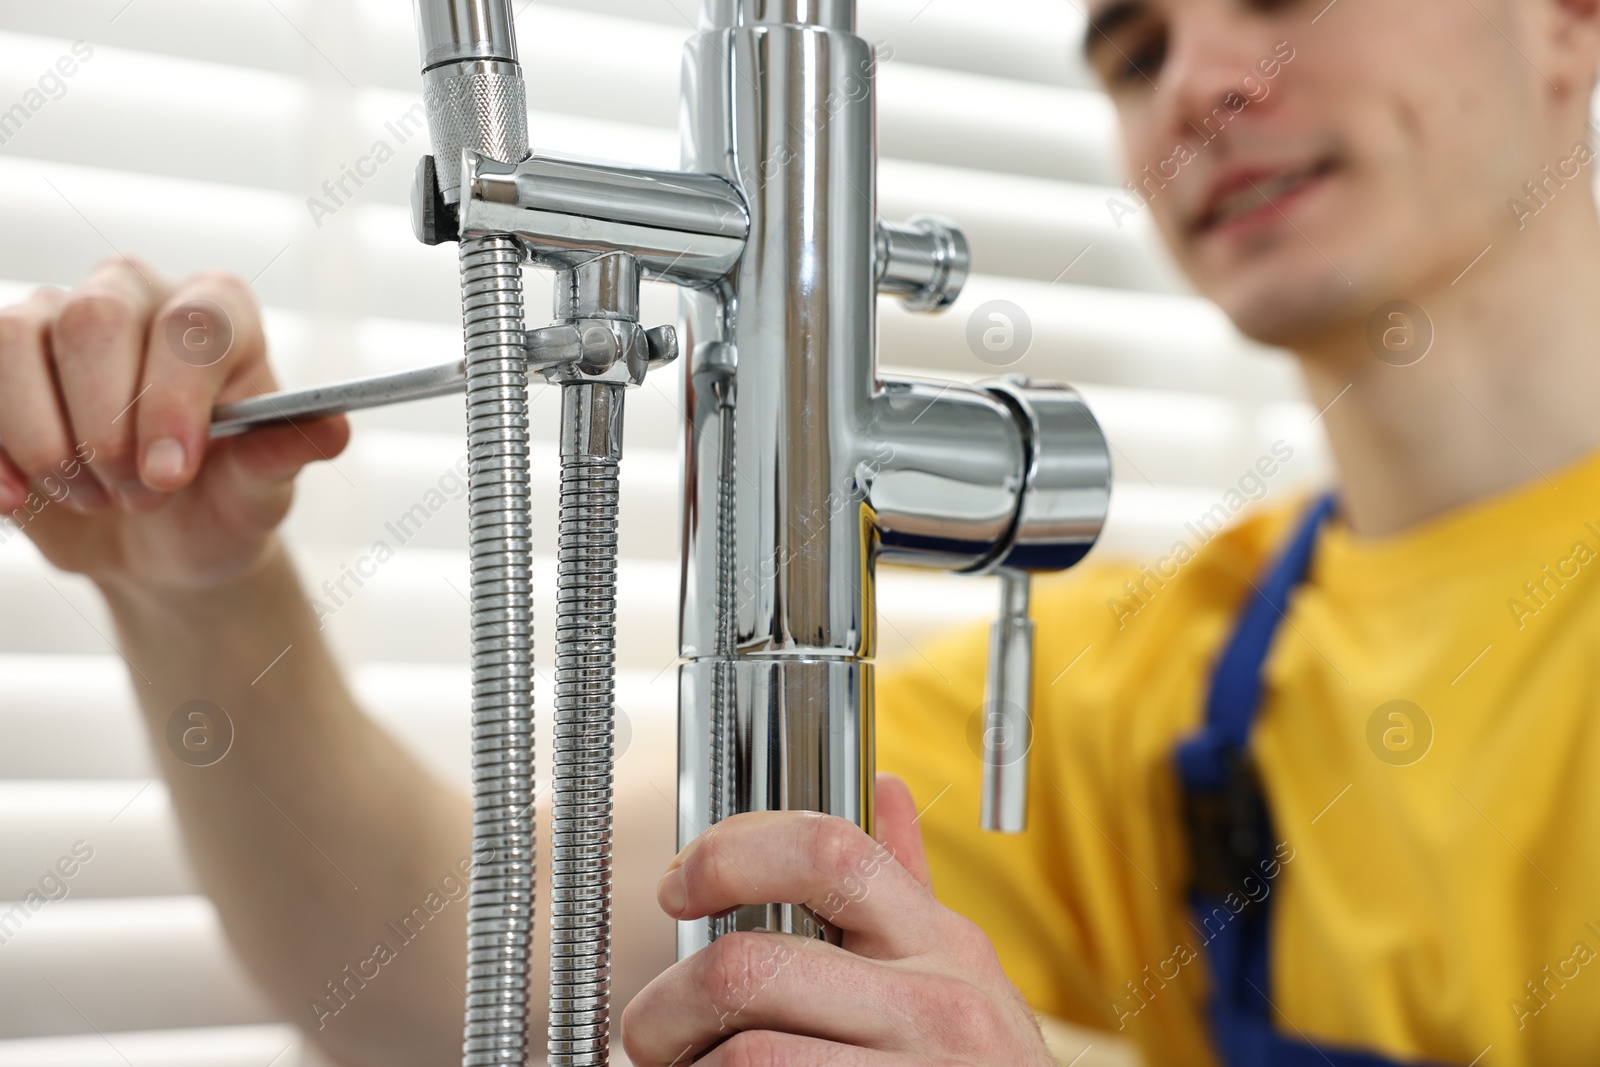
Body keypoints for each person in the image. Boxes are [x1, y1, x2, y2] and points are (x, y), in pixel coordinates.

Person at [2, 0, 1598, 1063]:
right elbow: (444, 947)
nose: (1196, 87)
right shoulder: (1166, 683)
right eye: (1133, 50)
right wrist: (200, 589)